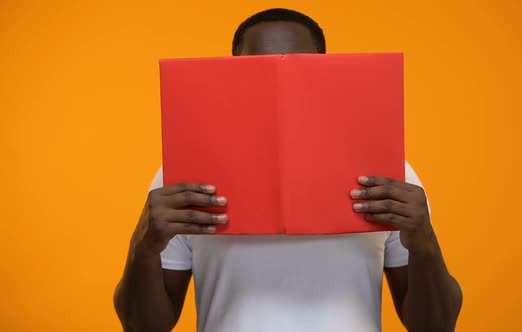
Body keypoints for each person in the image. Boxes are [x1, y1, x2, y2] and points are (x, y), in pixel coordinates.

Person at [114, 8, 462, 332]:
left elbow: (434, 326)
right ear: (231, 73)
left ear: (324, 72)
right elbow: (144, 327)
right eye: (258, 68)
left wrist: (424, 241)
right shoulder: (186, 176)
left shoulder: (386, 173)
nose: (279, 83)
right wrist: (143, 247)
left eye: (297, 67)